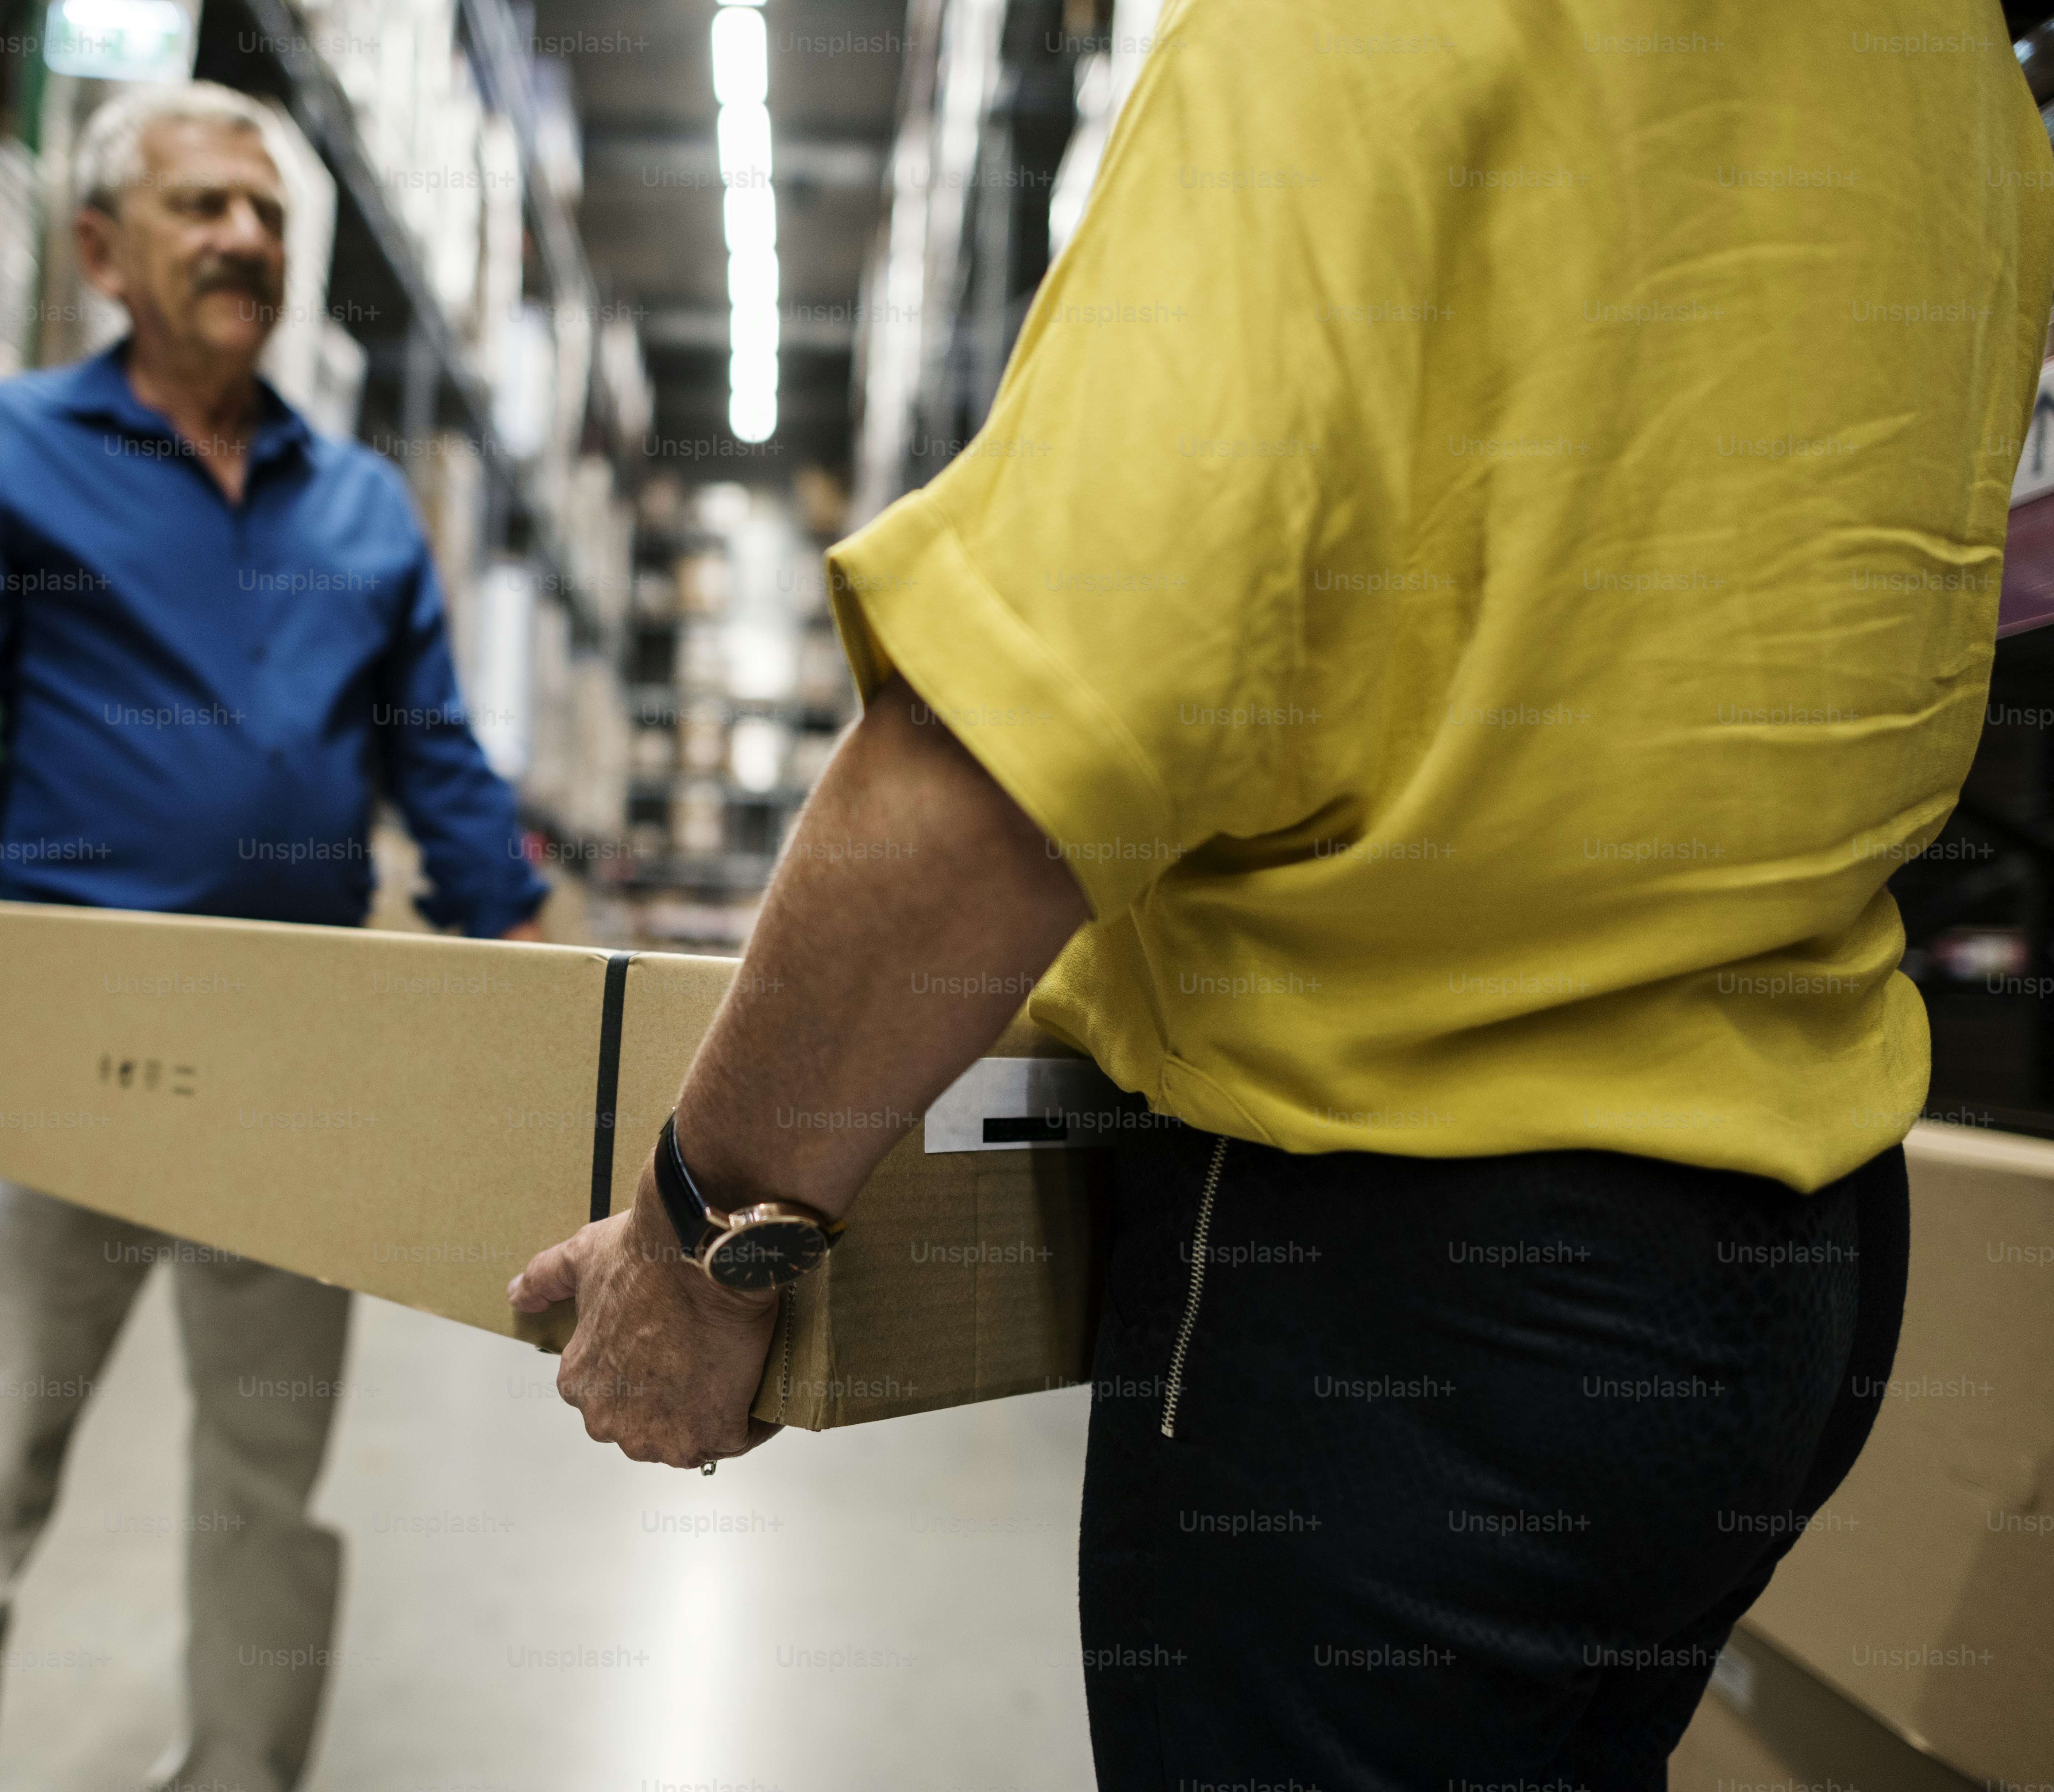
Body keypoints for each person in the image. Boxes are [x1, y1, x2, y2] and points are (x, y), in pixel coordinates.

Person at [512, 7, 2054, 1786]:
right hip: (1791, 1281)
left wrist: (704, 1251)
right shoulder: (1950, 70)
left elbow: (1007, 763)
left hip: (1413, 1309)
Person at [0, 81, 547, 1792]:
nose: (246, 238)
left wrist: (586, 1038)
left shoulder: (364, 512)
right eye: (201, 208)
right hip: (57, 1044)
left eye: (264, 215)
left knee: (268, 1482)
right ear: (105, 250)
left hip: (296, 1059)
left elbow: (453, 791)